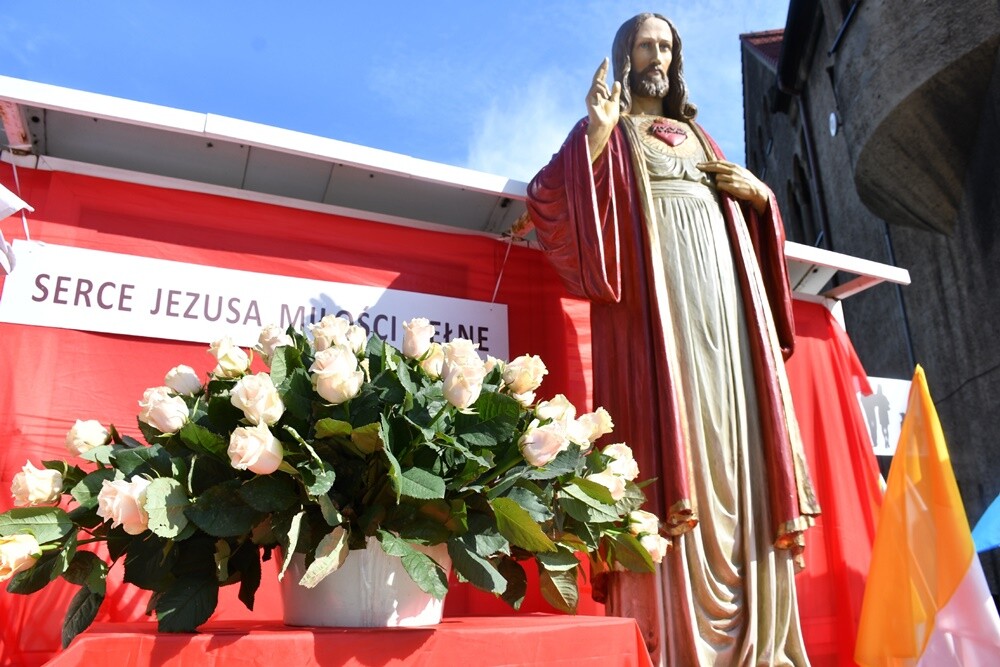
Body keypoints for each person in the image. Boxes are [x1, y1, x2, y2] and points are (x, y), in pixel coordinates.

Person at [524, 12, 820, 666]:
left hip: (724, 303)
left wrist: (761, 199)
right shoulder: (608, 128)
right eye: (644, 45)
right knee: (672, 432)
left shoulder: (701, 137)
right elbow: (546, 197)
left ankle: (758, 631)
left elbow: (749, 214)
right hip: (656, 310)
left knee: (734, 438)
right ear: (624, 56)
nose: (656, 55)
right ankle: (673, 634)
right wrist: (597, 135)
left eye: (666, 45)